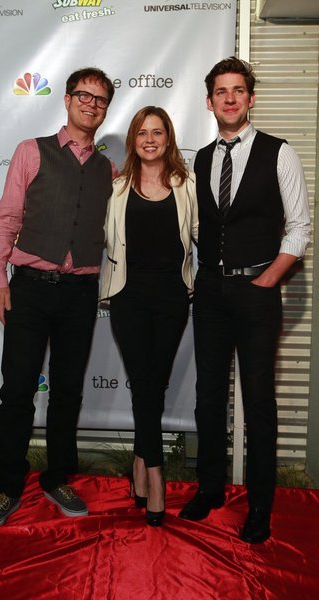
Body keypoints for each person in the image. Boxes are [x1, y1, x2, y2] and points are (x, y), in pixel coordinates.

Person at [178, 57, 310, 543]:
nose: (229, 98)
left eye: (238, 91)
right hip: (211, 292)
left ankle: (260, 507)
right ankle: (210, 489)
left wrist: (268, 280)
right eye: (220, 91)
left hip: (257, 292)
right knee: (208, 397)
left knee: (258, 402)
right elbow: (198, 227)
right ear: (209, 101)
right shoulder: (203, 158)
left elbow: (299, 226)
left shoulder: (280, 153)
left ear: (250, 99)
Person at [0, 67, 116, 526]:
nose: (90, 104)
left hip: (80, 291)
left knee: (68, 391)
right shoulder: (29, 152)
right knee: (17, 389)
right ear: (68, 99)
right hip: (31, 288)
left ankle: (58, 477)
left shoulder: (108, 170)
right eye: (83, 95)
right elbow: (6, 219)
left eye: (100, 100)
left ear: (105, 108)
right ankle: (6, 486)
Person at [100, 106, 198, 527]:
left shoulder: (187, 184)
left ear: (168, 138)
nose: (150, 139)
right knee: (144, 383)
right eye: (142, 132)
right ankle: (156, 478)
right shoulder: (118, 187)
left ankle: (140, 461)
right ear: (134, 141)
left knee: (153, 385)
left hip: (173, 298)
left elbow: (205, 236)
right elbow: (104, 241)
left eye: (158, 132)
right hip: (128, 298)